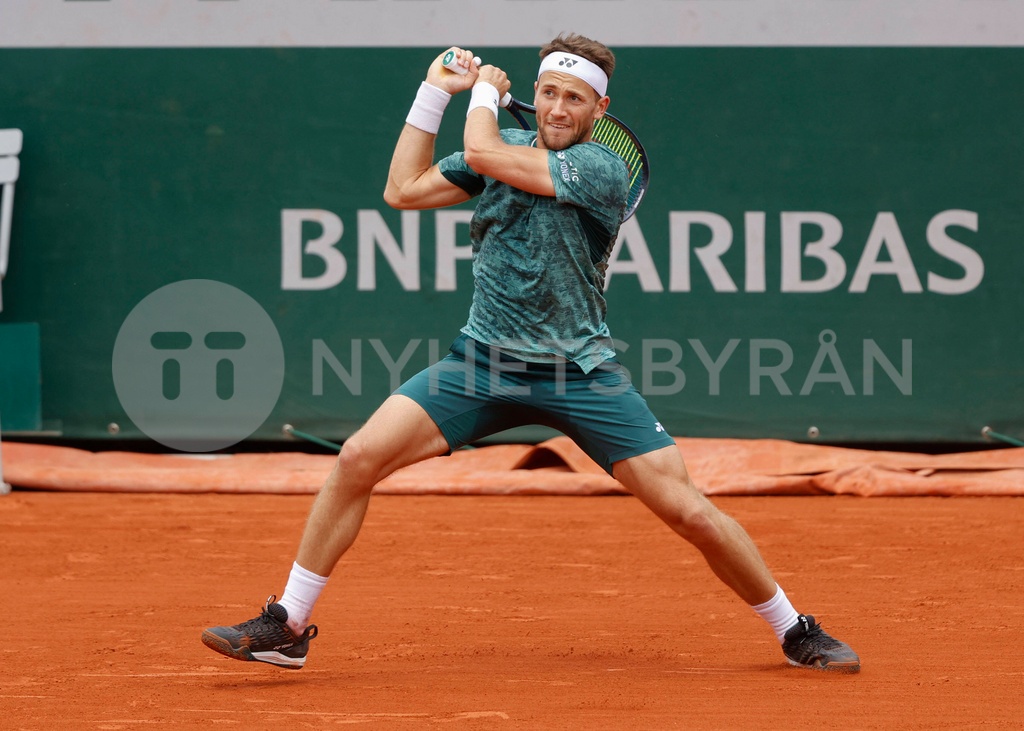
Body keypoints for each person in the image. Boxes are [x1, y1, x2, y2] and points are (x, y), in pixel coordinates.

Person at [201, 34, 860, 673]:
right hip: (479, 365)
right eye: (547, 93)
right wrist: (433, 92)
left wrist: (482, 95)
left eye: (574, 98)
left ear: (599, 111)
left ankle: (794, 628)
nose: (555, 109)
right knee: (357, 457)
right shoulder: (503, 144)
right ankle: (287, 626)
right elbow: (402, 190)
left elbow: (483, 155)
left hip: (582, 374)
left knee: (689, 509)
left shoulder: (602, 168)